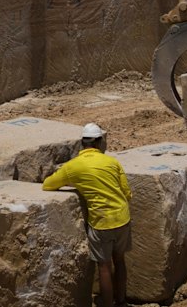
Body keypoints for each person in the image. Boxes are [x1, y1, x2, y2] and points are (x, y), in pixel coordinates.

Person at [42, 123, 132, 307]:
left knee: (104, 266)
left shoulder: (73, 167)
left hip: (101, 222)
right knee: (120, 260)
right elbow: (127, 193)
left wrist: (78, 183)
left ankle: (106, 304)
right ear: (99, 143)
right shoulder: (112, 162)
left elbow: (48, 185)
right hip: (122, 217)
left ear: (82, 144)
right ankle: (121, 301)